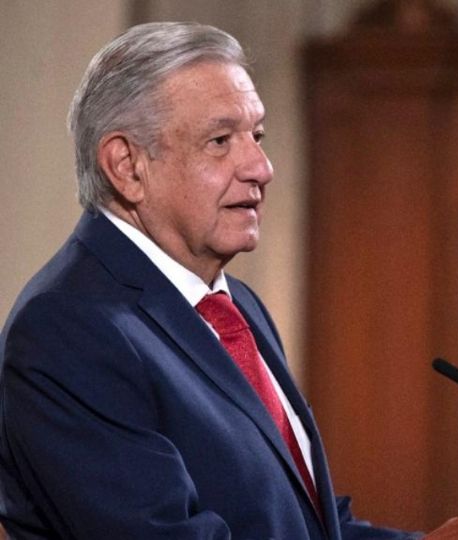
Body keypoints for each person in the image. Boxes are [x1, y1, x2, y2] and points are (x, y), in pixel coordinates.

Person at [0, 22, 420, 540]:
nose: (261, 167)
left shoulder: (235, 305)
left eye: (257, 136)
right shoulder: (68, 330)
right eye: (220, 141)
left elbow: (304, 523)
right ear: (127, 166)